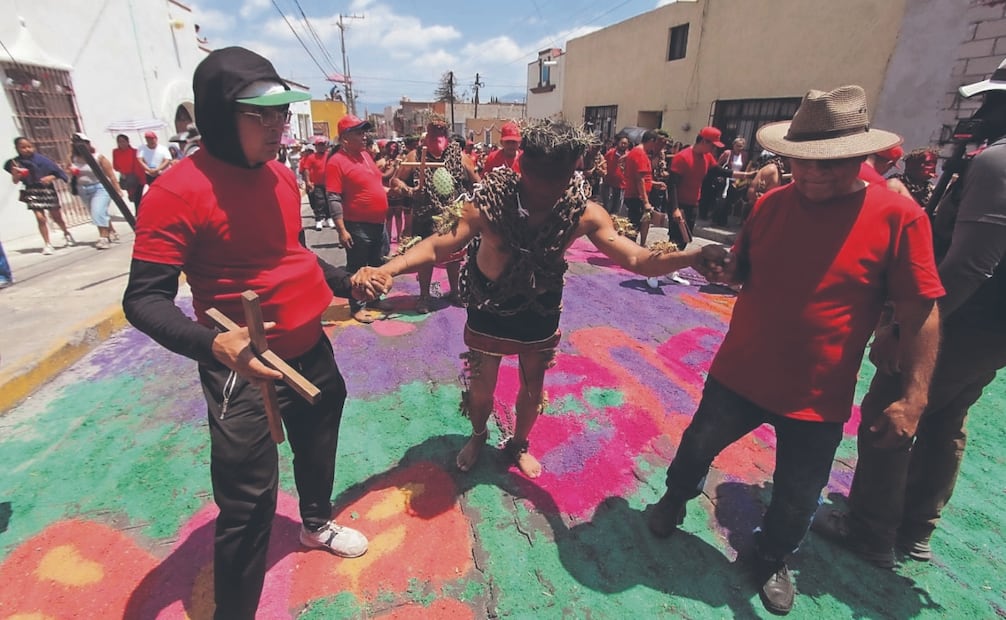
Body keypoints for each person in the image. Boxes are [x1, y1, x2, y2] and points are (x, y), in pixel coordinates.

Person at [646, 86, 944, 616]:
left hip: (819, 390)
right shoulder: (770, 204)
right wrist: (721, 265)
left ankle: (774, 556)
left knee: (798, 493)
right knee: (696, 447)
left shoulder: (900, 218)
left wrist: (915, 396)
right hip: (740, 372)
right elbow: (744, 269)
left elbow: (922, 309)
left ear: (860, 157)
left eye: (826, 165)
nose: (809, 175)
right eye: (800, 162)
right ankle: (674, 498)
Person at [121, 47, 374, 619]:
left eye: (280, 113)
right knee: (248, 501)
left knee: (318, 441)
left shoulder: (283, 177)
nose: (277, 127)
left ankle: (314, 524)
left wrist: (346, 279)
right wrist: (214, 344)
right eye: (259, 115)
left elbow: (292, 258)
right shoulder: (174, 192)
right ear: (217, 115)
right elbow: (142, 299)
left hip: (311, 348)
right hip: (244, 365)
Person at [354, 119, 725, 478]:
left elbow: (637, 258)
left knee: (533, 389)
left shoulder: (582, 213)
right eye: (536, 181)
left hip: (539, 316)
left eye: (556, 183)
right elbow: (438, 245)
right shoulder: (487, 205)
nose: (544, 194)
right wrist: (389, 268)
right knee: (481, 390)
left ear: (571, 173)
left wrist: (693, 255)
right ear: (522, 166)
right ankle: (479, 434)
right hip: (488, 312)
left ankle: (518, 443)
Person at [813, 66, 1006, 570]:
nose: (980, 114)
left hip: (959, 322)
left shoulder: (996, 163)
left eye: (993, 103)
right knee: (947, 423)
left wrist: (907, 329)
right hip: (992, 330)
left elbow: (970, 265)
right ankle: (916, 527)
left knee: (891, 415)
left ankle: (870, 530)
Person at [391, 114, 480, 313]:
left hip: (452, 214)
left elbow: (477, 181)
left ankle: (455, 291)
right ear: (427, 134)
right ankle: (424, 296)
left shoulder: (460, 156)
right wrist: (409, 190)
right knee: (425, 257)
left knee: (454, 256)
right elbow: (395, 181)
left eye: (442, 132)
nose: (438, 137)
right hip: (424, 214)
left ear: (447, 134)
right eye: (434, 133)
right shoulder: (415, 156)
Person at [326, 114, 390, 323]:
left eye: (365, 132)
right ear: (345, 138)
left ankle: (371, 298)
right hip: (357, 225)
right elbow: (333, 197)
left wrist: (394, 191)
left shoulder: (365, 156)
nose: (365, 137)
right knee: (357, 268)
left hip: (378, 223)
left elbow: (374, 186)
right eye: (359, 133)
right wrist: (341, 230)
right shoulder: (336, 162)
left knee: (375, 263)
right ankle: (357, 306)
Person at [4, 136, 74, 255]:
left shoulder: (42, 160)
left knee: (56, 216)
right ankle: (47, 244)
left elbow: (58, 172)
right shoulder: (15, 163)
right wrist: (16, 174)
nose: (27, 149)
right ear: (17, 148)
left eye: (29, 146)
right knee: (40, 218)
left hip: (47, 189)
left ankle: (66, 233)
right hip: (32, 190)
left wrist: (50, 177)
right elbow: (15, 181)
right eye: (23, 147)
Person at [70, 133, 122, 249]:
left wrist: (117, 189)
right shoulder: (73, 158)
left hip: (100, 187)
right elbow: (67, 169)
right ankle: (111, 230)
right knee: (98, 212)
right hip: (83, 189)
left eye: (82, 143)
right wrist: (71, 171)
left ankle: (103, 237)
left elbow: (111, 175)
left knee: (97, 211)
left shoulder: (98, 157)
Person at [623, 129, 668, 248]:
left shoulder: (639, 152)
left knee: (638, 223)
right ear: (651, 141)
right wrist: (646, 201)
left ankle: (633, 247)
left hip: (637, 195)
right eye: (656, 143)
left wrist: (653, 183)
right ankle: (627, 250)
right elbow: (639, 179)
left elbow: (643, 178)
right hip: (636, 196)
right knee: (634, 226)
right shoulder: (639, 154)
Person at [302, 136, 333, 231]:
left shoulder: (329, 155)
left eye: (323, 145)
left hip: (329, 183)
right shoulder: (311, 157)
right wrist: (307, 182)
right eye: (319, 145)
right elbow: (306, 169)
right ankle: (319, 219)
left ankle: (329, 218)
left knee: (329, 201)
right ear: (316, 147)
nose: (321, 147)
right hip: (317, 183)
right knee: (320, 202)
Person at [112, 134, 146, 209]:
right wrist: (121, 172)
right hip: (126, 178)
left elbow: (139, 165)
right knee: (133, 198)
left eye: (123, 141)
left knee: (137, 197)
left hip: (137, 177)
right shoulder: (116, 152)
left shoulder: (135, 151)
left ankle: (139, 214)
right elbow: (115, 166)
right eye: (119, 142)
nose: (122, 143)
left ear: (128, 142)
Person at [602, 134, 630, 215]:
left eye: (625, 143)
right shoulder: (610, 153)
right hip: (608, 184)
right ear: (618, 143)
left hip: (621, 185)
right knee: (607, 208)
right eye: (622, 143)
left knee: (617, 209)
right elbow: (603, 163)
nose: (623, 145)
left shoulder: (629, 155)